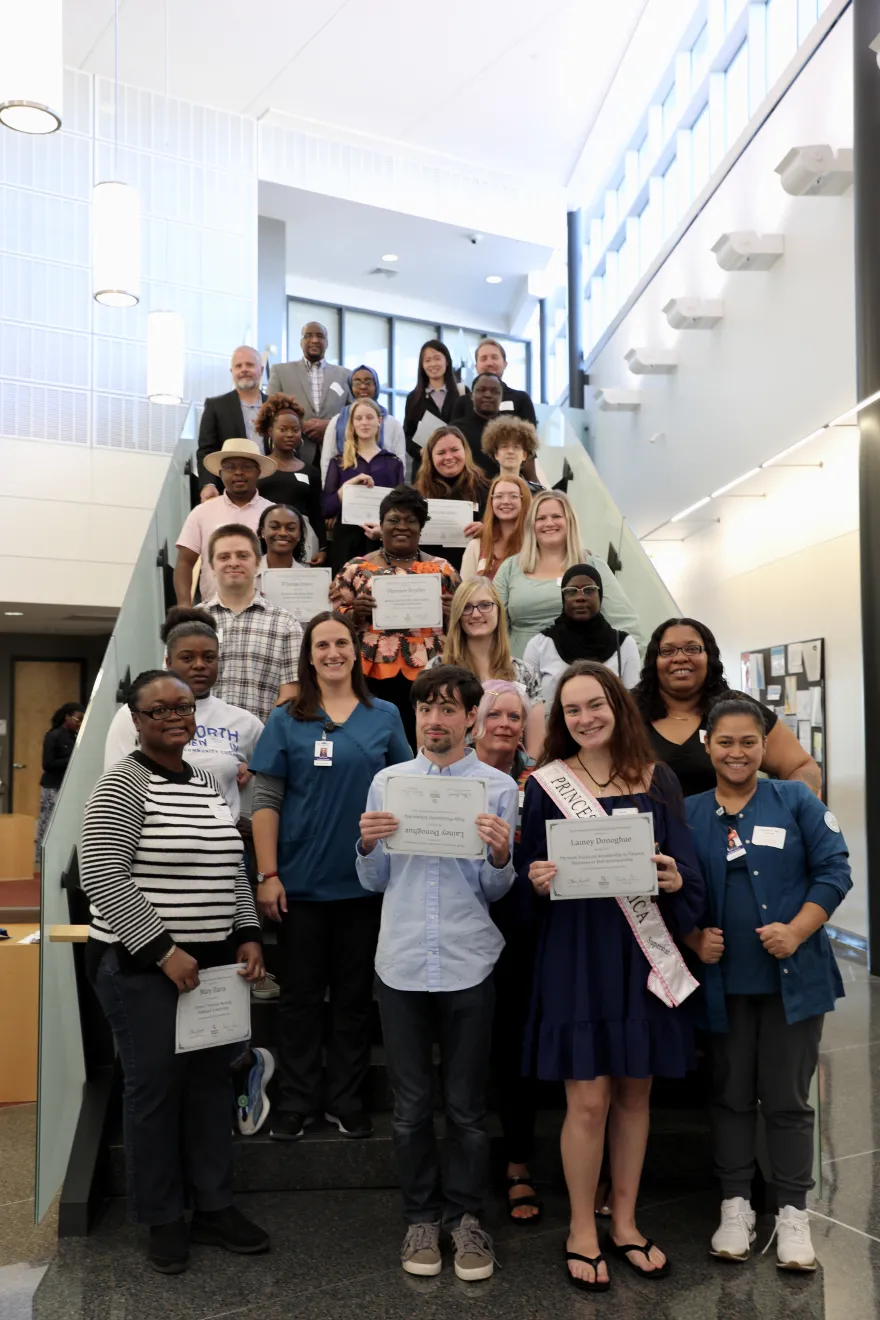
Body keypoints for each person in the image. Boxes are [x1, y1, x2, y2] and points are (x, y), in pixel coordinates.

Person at [518, 660, 706, 1291]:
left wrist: (677, 881)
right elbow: (523, 879)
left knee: (634, 1094)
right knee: (588, 1098)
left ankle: (624, 1222)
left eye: (595, 704)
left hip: (641, 955)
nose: (585, 718)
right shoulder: (545, 784)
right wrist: (536, 882)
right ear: (560, 720)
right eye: (572, 710)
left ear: (617, 705)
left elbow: (688, 874)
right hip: (576, 955)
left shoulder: (658, 780)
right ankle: (580, 1227)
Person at [80, 670, 268, 1274]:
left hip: (211, 966)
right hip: (143, 968)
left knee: (212, 1088)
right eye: (157, 709)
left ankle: (213, 1207)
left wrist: (246, 935)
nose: (172, 716)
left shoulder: (205, 784)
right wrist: (163, 951)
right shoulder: (121, 786)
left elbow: (232, 866)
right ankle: (163, 1217)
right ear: (135, 721)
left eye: (182, 707)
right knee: (155, 1092)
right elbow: (102, 877)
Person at [357, 665, 518, 1281]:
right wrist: (367, 845)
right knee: (409, 1107)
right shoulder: (388, 782)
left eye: (449, 708)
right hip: (400, 961)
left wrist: (502, 855)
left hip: (467, 958)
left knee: (468, 1107)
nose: (436, 719)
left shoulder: (498, 788)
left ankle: (467, 1220)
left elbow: (495, 890)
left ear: (471, 719)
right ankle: (421, 1217)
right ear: (415, 716)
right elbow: (372, 880)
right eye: (426, 708)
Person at [684, 698, 851, 1271]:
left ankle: (793, 1214)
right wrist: (691, 938)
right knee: (730, 1096)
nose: (737, 753)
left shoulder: (796, 799)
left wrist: (800, 930)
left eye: (748, 743)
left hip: (793, 980)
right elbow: (667, 887)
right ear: (707, 745)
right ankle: (735, 1207)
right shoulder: (687, 813)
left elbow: (836, 870)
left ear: (764, 747)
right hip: (722, 983)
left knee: (787, 1099)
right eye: (725, 742)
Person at [250, 611, 411, 1142]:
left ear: (356, 650)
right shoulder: (286, 718)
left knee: (351, 998)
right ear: (309, 654)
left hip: (364, 885)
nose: (333, 652)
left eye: (342, 642)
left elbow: (406, 789)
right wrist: (268, 873)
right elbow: (267, 800)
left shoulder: (384, 714)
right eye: (322, 645)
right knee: (298, 999)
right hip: (299, 884)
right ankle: (297, 1100)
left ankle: (345, 1098)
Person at [471, 680, 541, 1224]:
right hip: (460, 926)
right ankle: (464, 1167)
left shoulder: (542, 780)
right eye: (495, 714)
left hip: (523, 929)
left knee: (516, 1046)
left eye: (515, 716)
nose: (504, 724)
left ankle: (518, 1162)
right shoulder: (449, 776)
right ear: (476, 719)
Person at [633, 618, 823, 799]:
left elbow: (803, 766)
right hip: (648, 831)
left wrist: (792, 809)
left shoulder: (738, 708)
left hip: (728, 831)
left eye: (692, 649)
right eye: (668, 651)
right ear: (653, 660)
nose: (680, 657)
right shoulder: (626, 709)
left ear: (709, 657)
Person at [103, 607, 263, 819]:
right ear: (168, 662)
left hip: (222, 846)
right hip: (152, 844)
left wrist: (250, 771)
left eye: (209, 657)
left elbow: (270, 786)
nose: (200, 665)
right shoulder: (134, 714)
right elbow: (116, 789)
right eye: (187, 658)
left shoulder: (246, 723)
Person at [331, 487, 459, 747]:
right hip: (371, 674)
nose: (402, 526)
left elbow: (466, 617)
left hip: (430, 673)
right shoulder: (355, 568)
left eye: (411, 520)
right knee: (372, 742)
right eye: (394, 520)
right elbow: (333, 621)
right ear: (381, 525)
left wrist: (452, 613)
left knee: (422, 742)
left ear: (421, 527)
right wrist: (355, 614)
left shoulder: (443, 569)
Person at [493, 490, 643, 659]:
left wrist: (629, 664)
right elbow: (494, 623)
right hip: (521, 670)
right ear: (531, 525)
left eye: (556, 516)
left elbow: (624, 622)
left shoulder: (592, 565)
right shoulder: (510, 568)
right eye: (541, 518)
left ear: (570, 521)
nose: (549, 523)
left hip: (579, 668)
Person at [426, 577, 544, 758]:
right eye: (466, 607)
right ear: (457, 615)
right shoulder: (437, 670)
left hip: (510, 776)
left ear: (498, 610)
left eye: (485, 605)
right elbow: (426, 738)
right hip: (452, 775)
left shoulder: (525, 673)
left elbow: (535, 749)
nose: (475, 614)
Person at [199, 524, 302, 724]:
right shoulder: (192, 622)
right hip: (198, 745)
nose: (233, 563)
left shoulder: (285, 624)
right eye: (224, 557)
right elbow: (176, 685)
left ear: (257, 564)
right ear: (212, 566)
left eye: (243, 556)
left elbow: (291, 695)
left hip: (260, 746)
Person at [523, 564, 641, 708]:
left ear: (600, 594)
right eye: (571, 591)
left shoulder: (624, 644)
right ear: (563, 597)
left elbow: (632, 704)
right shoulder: (539, 645)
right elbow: (528, 704)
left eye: (589, 590)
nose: (580, 597)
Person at [174, 439, 275, 605]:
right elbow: (185, 563)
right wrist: (184, 604)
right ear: (220, 474)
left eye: (246, 467)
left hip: (264, 611)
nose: (238, 473)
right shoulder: (202, 512)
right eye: (230, 467)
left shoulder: (273, 513)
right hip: (212, 610)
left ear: (258, 472)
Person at [323, 398, 406, 576]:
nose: (364, 422)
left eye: (369, 417)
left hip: (382, 543)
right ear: (352, 424)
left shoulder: (393, 463)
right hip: (346, 543)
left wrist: (383, 532)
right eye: (359, 418)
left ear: (379, 421)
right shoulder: (339, 462)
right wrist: (346, 487)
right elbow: (326, 509)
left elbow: (401, 510)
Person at [267, 322, 351, 466]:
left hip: (337, 456)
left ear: (327, 342)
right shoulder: (280, 371)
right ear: (301, 342)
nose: (314, 340)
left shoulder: (345, 375)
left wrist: (332, 426)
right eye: (308, 336)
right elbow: (270, 411)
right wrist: (300, 426)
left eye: (320, 336)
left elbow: (353, 414)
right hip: (294, 454)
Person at [253, 394, 324, 563]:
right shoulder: (258, 467)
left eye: (295, 430)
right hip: (263, 539)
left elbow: (316, 513)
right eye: (283, 429)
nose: (290, 434)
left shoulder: (311, 472)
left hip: (302, 540)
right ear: (270, 431)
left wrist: (322, 548)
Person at [196, 346, 266, 500]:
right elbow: (206, 451)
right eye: (238, 366)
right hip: (231, 490)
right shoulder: (216, 406)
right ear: (232, 372)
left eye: (250, 365)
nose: (244, 369)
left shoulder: (275, 405)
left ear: (261, 369)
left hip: (271, 487)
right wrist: (209, 484)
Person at [414, 426, 488, 571]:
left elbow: (503, 529)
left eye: (455, 450)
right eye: (441, 453)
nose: (449, 457)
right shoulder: (417, 494)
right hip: (430, 572)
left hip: (473, 571)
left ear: (465, 451)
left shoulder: (485, 488)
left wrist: (487, 530)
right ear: (431, 457)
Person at [320, 364, 406, 481]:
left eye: (368, 382)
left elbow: (400, 462)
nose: (363, 387)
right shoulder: (337, 421)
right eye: (357, 383)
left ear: (376, 386)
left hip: (383, 486)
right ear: (351, 387)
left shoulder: (392, 423)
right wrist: (331, 491)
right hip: (345, 486)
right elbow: (327, 460)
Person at [403, 339, 466, 473]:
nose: (433, 364)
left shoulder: (462, 392)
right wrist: (420, 452)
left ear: (447, 361)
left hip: (457, 466)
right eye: (427, 360)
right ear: (422, 365)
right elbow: (407, 434)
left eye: (437, 358)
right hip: (424, 468)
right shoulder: (414, 397)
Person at [460, 475, 531, 582]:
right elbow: (465, 591)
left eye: (513, 496)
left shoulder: (534, 543)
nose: (506, 501)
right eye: (499, 496)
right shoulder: (476, 545)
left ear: (524, 500)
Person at [36, 703, 84, 854]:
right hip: (53, 787)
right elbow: (47, 764)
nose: (80, 723)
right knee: (48, 822)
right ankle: (42, 855)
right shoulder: (53, 736)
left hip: (68, 787)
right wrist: (71, 759)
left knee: (65, 823)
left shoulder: (76, 737)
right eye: (78, 719)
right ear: (67, 717)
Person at [471, 337, 537, 425]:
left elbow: (530, 436)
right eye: (483, 358)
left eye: (494, 357)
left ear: (505, 364)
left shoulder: (521, 399)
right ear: (476, 366)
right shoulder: (463, 402)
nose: (489, 363)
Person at [451, 373, 503, 477]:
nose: (488, 395)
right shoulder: (455, 431)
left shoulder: (511, 431)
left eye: (494, 391)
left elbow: (529, 472)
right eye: (481, 390)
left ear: (501, 397)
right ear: (471, 396)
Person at [480, 415, 543, 494]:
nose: (510, 451)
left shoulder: (537, 492)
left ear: (524, 455)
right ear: (496, 454)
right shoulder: (483, 491)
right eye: (504, 446)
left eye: (516, 447)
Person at [257, 504, 309, 578]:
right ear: (262, 532)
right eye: (274, 527)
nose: (283, 533)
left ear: (299, 535)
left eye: (291, 528)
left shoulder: (309, 578)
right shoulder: (246, 573)